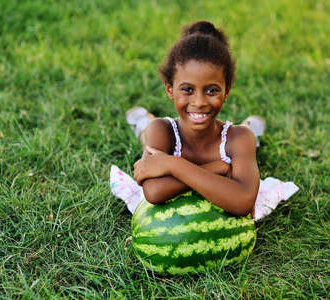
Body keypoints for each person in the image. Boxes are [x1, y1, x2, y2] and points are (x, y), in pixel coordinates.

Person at [111, 21, 298, 220]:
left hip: (233, 137)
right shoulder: (162, 130)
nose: (199, 102)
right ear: (169, 89)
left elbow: (242, 201)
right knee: (147, 132)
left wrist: (171, 165)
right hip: (158, 130)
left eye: (212, 90)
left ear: (226, 91)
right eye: (187, 90)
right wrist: (219, 168)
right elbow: (154, 192)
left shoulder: (238, 139)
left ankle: (251, 126)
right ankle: (142, 122)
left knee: (248, 138)